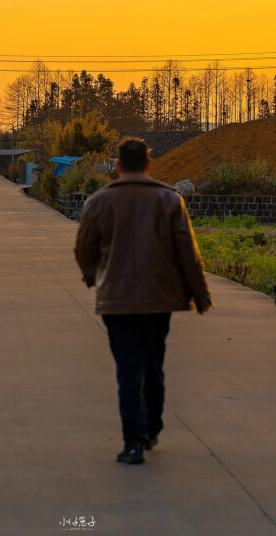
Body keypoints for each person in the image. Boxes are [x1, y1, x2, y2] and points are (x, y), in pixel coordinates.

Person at [74, 136, 213, 465]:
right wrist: (200, 294)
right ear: (149, 164)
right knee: (153, 365)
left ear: (118, 166)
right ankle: (151, 429)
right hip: (157, 300)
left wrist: (95, 276)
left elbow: (83, 250)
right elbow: (187, 253)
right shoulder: (169, 199)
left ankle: (133, 442)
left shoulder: (98, 202)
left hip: (117, 301)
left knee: (128, 370)